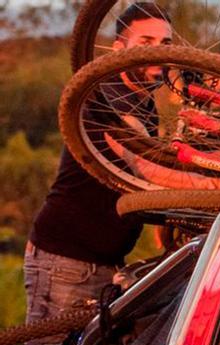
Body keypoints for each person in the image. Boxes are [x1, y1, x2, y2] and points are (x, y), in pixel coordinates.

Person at [24, 2, 173, 324]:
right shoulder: (102, 95)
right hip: (66, 261)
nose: (157, 53)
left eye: (165, 44)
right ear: (119, 48)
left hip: (103, 261)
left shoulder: (144, 102)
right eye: (145, 43)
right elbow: (145, 167)